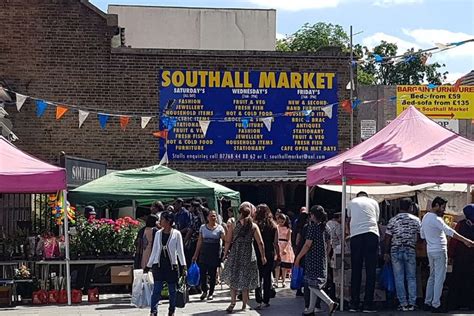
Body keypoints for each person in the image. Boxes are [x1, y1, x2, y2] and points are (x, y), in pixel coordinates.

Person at [421, 197, 474, 313]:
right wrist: (465, 240)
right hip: (439, 250)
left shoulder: (425, 218)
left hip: (430, 250)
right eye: (442, 207)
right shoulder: (436, 219)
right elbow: (450, 231)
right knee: (440, 277)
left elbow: (422, 235)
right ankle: (436, 304)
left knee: (432, 277)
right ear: (436, 206)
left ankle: (427, 302)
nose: (443, 210)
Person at [221, 202, 266, 313]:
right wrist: (263, 256)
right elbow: (260, 242)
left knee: (233, 278)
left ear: (240, 212)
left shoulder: (234, 224)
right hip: (249, 253)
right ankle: (244, 305)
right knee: (245, 279)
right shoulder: (253, 226)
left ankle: (232, 303)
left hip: (236, 253)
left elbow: (227, 241)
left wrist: (225, 253)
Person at [295, 205, 338, 315]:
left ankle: (330, 302)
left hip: (312, 259)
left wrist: (298, 257)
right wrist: (325, 255)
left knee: (312, 284)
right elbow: (329, 245)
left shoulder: (312, 228)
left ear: (313, 215)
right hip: (322, 259)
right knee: (314, 284)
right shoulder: (326, 228)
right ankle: (310, 309)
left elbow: (307, 245)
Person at [145, 211, 187, 316]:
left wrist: (183, 265)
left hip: (171, 266)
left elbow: (180, 251)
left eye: (162, 219)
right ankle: (153, 311)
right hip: (158, 265)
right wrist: (149, 265)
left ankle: (171, 310)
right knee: (156, 289)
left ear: (168, 221)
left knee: (172, 290)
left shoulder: (176, 234)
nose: (160, 221)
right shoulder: (158, 234)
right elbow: (155, 250)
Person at [384, 198, 421, 311]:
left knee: (399, 278)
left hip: (395, 250)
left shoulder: (393, 220)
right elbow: (420, 237)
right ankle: (412, 303)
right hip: (410, 249)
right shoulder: (416, 220)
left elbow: (387, 238)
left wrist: (386, 252)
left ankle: (403, 303)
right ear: (410, 207)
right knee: (411, 277)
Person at [347, 191, 380, 313]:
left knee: (356, 269)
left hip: (356, 236)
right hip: (372, 234)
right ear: (367, 196)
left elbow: (349, 219)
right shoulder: (374, 202)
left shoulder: (351, 202)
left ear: (358, 196)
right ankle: (368, 304)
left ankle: (354, 304)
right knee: (371, 271)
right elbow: (376, 219)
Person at [192, 210, 225, 301]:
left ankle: (211, 293)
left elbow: (225, 239)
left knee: (213, 274)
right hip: (204, 254)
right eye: (211, 216)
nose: (212, 218)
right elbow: (199, 241)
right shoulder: (203, 228)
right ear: (207, 217)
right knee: (202, 274)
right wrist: (195, 254)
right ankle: (204, 291)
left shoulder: (220, 228)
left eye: (214, 216)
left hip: (214, 254)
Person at [448, 204, 474, 310]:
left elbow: (454, 241)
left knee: (458, 280)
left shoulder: (460, 225)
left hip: (461, 257)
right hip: (471, 258)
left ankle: (457, 303)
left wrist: (450, 255)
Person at [254, 204, 280, 310]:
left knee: (257, 276)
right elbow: (276, 243)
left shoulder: (255, 225)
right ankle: (266, 299)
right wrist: (278, 254)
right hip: (269, 252)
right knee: (267, 276)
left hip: (256, 252)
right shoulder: (273, 226)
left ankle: (258, 298)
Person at [274, 213, 294, 288]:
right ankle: (276, 281)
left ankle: (283, 280)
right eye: (280, 220)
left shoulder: (288, 229)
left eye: (283, 221)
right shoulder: (276, 227)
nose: (281, 222)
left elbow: (289, 239)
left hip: (285, 245)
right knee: (277, 265)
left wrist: (285, 248)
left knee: (284, 266)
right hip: (278, 245)